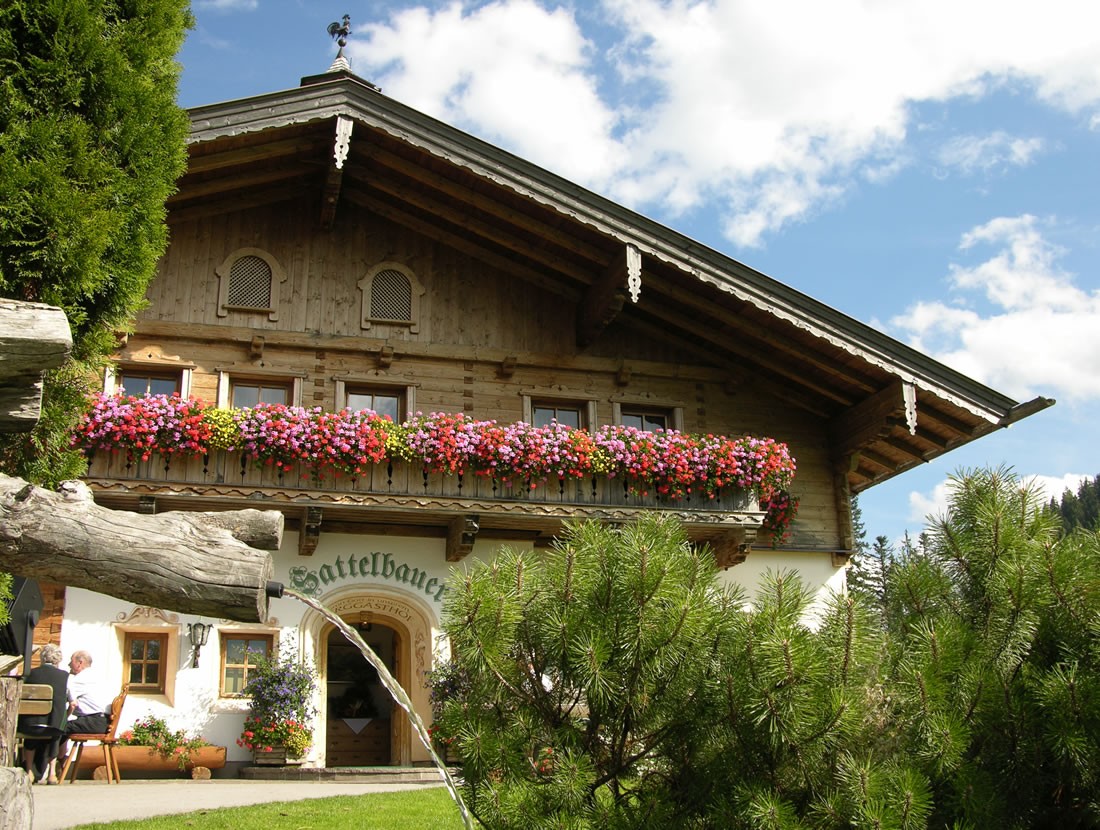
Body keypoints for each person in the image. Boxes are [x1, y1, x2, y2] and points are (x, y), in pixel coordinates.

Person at [18, 644, 69, 785]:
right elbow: (73, 702)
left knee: (32, 732)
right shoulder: (65, 676)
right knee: (56, 732)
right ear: (58, 660)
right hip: (53, 724)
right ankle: (52, 774)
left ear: (42, 658)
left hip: (30, 724)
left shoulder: (29, 674)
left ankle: (29, 771)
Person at [64, 649, 113, 736]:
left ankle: (48, 750)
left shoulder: (80, 679)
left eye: (71, 661)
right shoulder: (98, 676)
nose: (69, 665)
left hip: (93, 722)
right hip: (105, 722)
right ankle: (57, 750)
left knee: (59, 728)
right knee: (64, 727)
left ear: (80, 663)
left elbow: (63, 697)